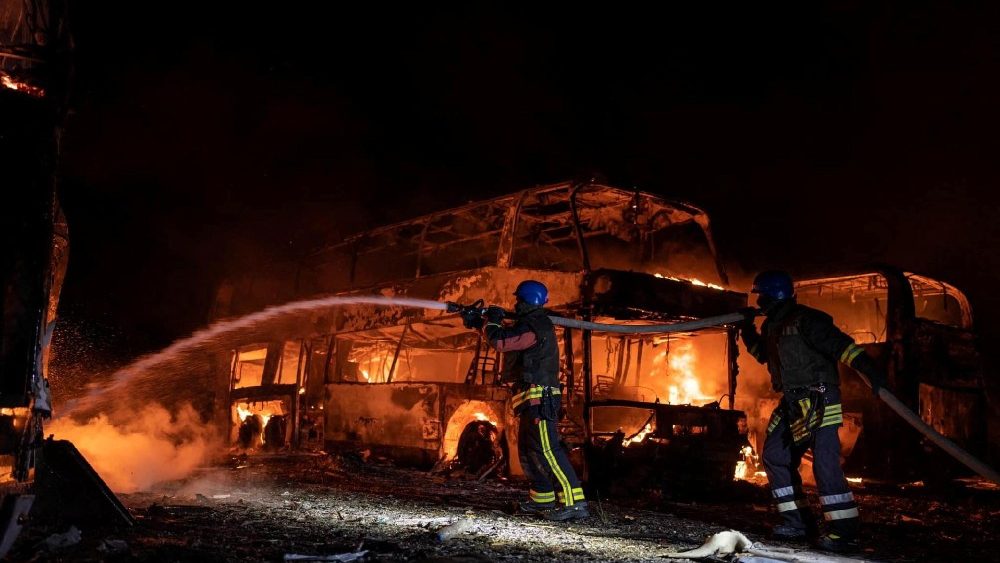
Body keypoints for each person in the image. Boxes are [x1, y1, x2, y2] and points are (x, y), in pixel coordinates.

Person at [739, 270, 887, 554]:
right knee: (774, 456)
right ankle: (798, 523)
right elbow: (763, 355)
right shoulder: (772, 327)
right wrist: (747, 330)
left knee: (824, 464)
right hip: (793, 402)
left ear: (773, 295)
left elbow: (843, 348)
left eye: (761, 296)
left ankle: (844, 534)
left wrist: (872, 373)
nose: (759, 302)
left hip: (821, 398)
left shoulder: (809, 320)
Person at [461, 280, 589, 521]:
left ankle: (575, 503)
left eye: (518, 299)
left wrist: (494, 320)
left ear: (526, 300)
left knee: (548, 450)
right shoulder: (527, 325)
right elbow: (504, 337)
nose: (515, 303)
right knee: (529, 452)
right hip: (530, 400)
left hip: (541, 399)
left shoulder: (536, 325)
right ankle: (542, 499)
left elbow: (500, 341)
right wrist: (480, 323)